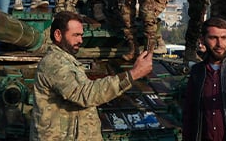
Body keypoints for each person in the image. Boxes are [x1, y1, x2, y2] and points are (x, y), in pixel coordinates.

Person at [31, 11, 153, 140]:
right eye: (76, 35)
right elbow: (85, 94)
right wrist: (133, 74)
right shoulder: (54, 63)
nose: (81, 40)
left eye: (81, 35)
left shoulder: (67, 61)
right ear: (58, 35)